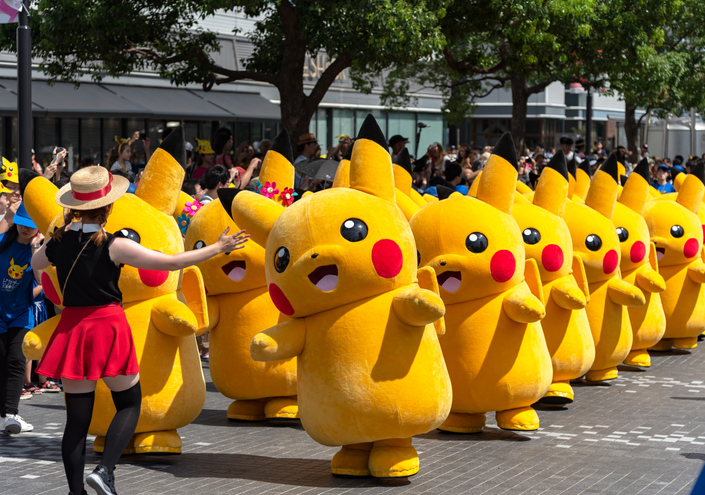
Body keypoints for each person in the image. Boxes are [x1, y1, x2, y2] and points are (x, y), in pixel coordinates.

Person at [31, 166, 249, 495]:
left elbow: (36, 265)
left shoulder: (59, 242)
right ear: (108, 206)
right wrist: (218, 247)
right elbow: (173, 262)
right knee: (130, 403)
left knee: (76, 423)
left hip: (74, 328)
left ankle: (75, 493)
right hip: (106, 327)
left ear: (74, 206)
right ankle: (105, 471)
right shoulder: (114, 244)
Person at [0, 203, 43, 434]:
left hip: (20, 314)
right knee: (2, 362)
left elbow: (41, 282)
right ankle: (2, 416)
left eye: (31, 226)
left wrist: (37, 248)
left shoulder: (38, 251)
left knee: (16, 362)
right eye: (23, 224)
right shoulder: (2, 242)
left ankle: (11, 414)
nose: (26, 230)